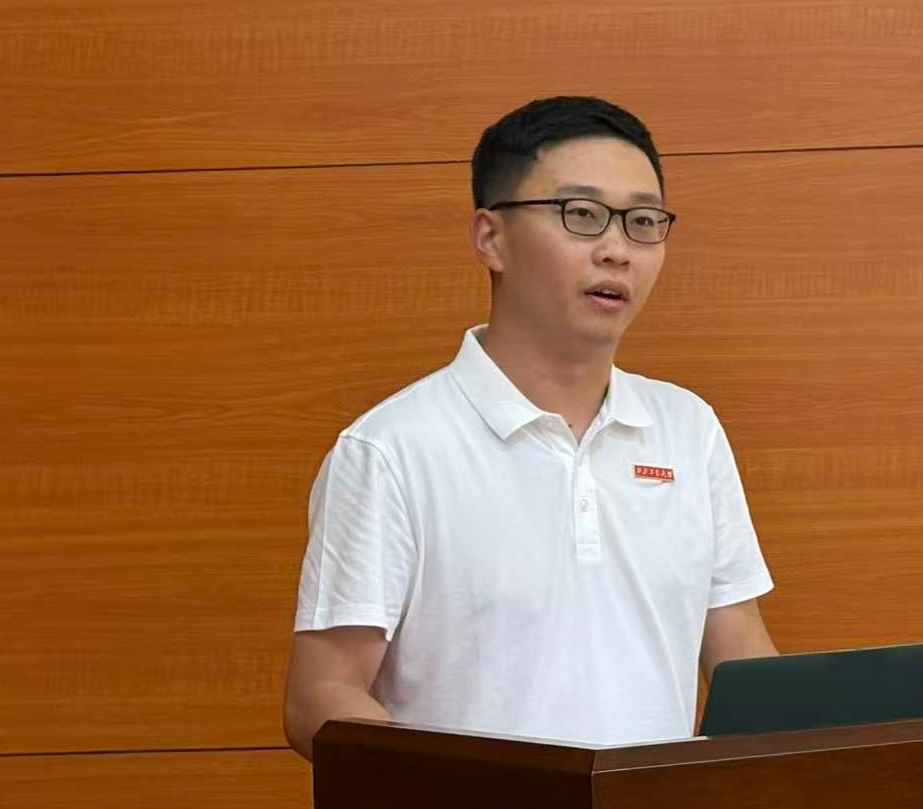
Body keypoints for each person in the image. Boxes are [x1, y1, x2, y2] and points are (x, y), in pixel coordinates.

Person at [282, 95, 777, 760]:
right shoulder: (391, 451)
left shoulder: (688, 428)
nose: (617, 251)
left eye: (642, 222)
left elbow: (742, 658)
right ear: (492, 238)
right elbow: (321, 697)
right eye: (581, 215)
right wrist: (479, 797)